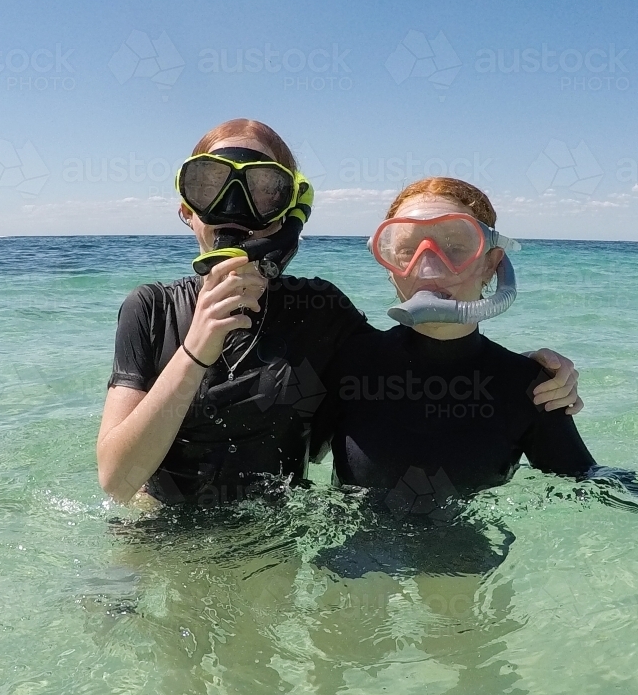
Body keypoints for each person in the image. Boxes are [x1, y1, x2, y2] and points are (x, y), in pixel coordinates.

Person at [310, 176, 638, 576]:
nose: (429, 264)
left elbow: (592, 482)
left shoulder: (525, 384)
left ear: (491, 263)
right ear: (388, 264)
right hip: (355, 549)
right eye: (407, 246)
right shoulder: (346, 360)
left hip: (463, 555)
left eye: (454, 243)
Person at [96, 119, 582, 509]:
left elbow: (412, 366)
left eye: (264, 188)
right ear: (187, 209)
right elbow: (116, 483)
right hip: (154, 539)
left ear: (289, 208)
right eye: (210, 185)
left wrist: (529, 373)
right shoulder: (151, 308)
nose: (235, 208)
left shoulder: (319, 311)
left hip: (273, 546)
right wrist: (196, 349)